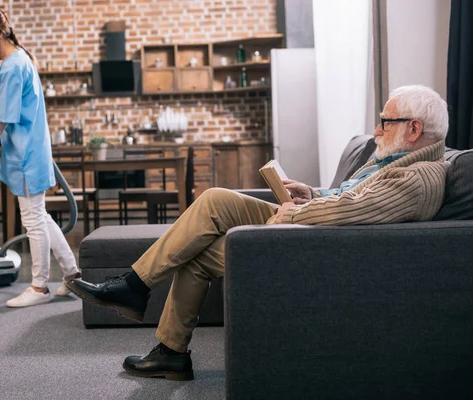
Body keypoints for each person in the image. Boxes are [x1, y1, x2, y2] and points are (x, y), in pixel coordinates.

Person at [66, 85, 450, 381]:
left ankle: (165, 342)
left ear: (413, 129)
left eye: (385, 121)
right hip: (313, 226)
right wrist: (312, 193)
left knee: (195, 252)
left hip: (319, 246)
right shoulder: (397, 158)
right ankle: (139, 293)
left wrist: (295, 214)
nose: (376, 129)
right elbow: (351, 197)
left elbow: (352, 210)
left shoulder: (418, 177)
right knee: (215, 200)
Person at [0, 6, 81, 308]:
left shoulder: (15, 65)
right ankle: (72, 273)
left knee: (33, 220)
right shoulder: (8, 61)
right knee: (39, 216)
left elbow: (1, 119)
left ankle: (40, 287)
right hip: (25, 152)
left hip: (27, 155)